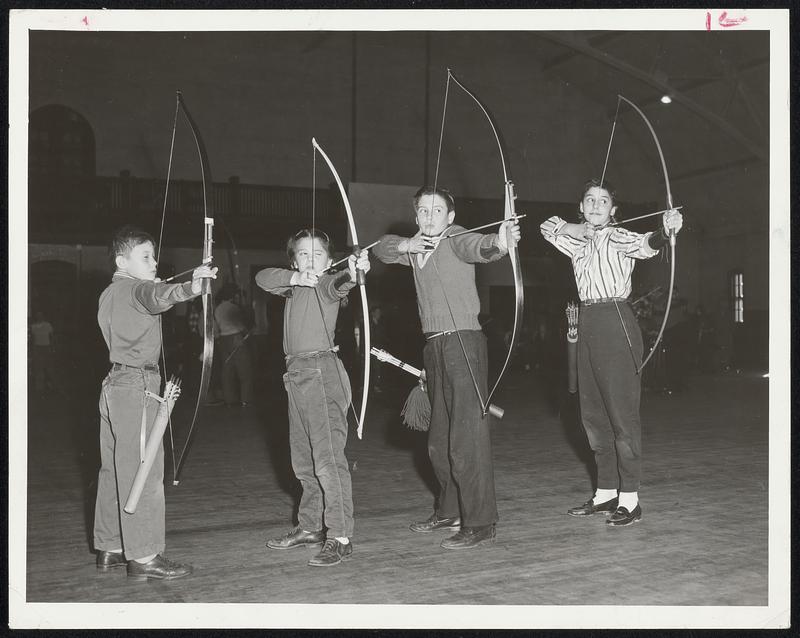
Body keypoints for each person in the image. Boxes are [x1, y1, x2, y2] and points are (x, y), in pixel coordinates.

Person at [372, 186, 521, 550]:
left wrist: (500, 241)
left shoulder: (454, 237)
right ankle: (451, 509)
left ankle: (481, 520)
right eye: (422, 211)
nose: (429, 217)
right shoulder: (417, 248)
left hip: (463, 342)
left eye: (437, 211)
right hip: (434, 346)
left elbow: (479, 247)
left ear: (450, 217)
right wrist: (407, 245)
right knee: (439, 442)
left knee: (466, 441)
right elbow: (380, 248)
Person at [540, 178, 683, 526]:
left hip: (616, 321)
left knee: (621, 416)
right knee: (592, 414)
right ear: (581, 206)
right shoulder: (576, 240)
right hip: (587, 321)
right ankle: (605, 493)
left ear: (613, 210)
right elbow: (546, 228)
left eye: (602, 201)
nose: (595, 206)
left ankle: (630, 499)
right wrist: (580, 229)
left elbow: (648, 244)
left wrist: (665, 230)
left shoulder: (619, 236)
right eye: (589, 200)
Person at [93, 225, 217, 580]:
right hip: (137, 385)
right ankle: (144, 556)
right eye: (145, 256)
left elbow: (151, 296)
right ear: (122, 260)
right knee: (145, 471)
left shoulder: (109, 293)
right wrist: (194, 286)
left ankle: (111, 547)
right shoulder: (137, 289)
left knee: (115, 470)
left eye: (153, 255)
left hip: (113, 385)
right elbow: (157, 296)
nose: (154, 260)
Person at [256, 229, 370, 567]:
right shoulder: (292, 286)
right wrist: (296, 276)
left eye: (317, 254)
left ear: (329, 260)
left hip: (321, 372)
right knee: (303, 460)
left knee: (327, 459)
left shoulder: (326, 285)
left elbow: (340, 283)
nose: (310, 260)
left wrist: (353, 269)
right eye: (302, 255)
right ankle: (310, 526)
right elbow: (263, 277)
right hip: (296, 374)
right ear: (293, 261)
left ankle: (339, 535)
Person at [214, 283, 254, 408]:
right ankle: (245, 400)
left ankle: (229, 400)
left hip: (223, 339)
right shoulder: (233, 308)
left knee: (227, 370)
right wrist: (248, 332)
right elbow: (240, 325)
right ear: (232, 295)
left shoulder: (218, 308)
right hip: (236, 338)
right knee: (245, 370)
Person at [30, 310, 57, 395]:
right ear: (36, 316)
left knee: (49, 367)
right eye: (38, 315)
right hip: (37, 348)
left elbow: (52, 337)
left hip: (47, 348)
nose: (39, 316)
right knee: (38, 367)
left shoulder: (48, 325)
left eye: (41, 315)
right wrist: (33, 349)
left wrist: (52, 348)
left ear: (43, 316)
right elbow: (32, 339)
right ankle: (39, 389)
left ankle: (51, 386)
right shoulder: (33, 326)